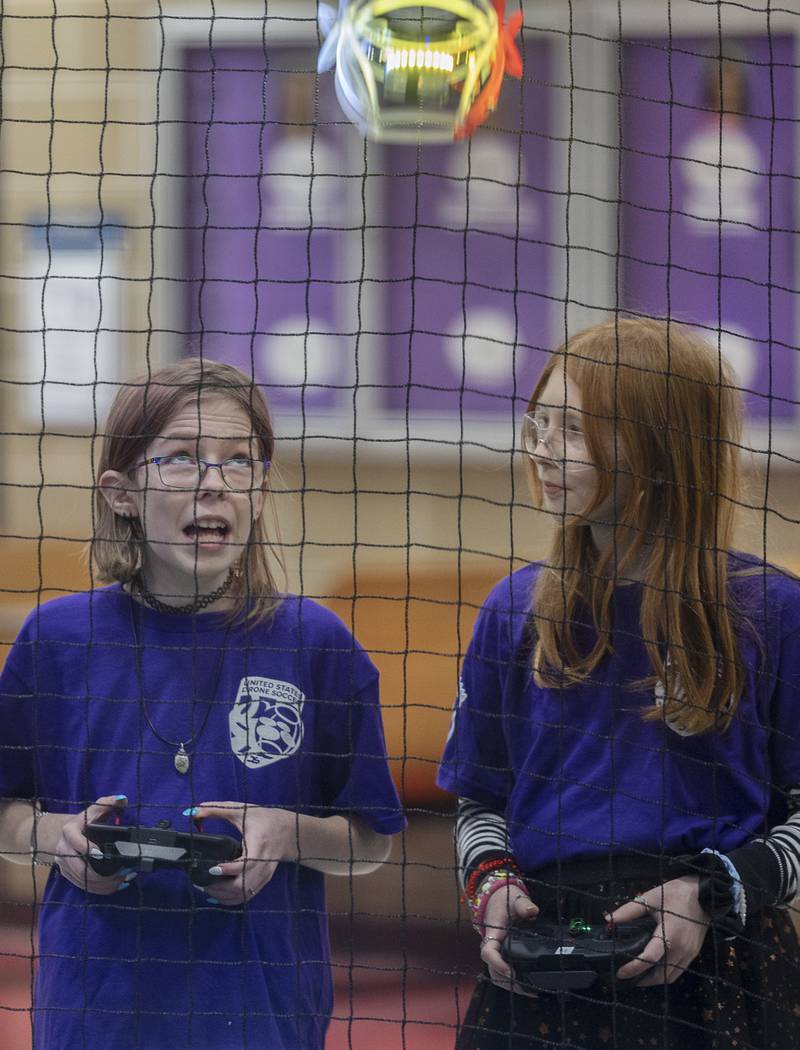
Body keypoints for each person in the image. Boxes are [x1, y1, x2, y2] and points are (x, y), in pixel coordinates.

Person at [0, 357, 405, 1050]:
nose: (215, 484)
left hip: (258, 1010)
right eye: (182, 459)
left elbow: (372, 840)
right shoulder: (56, 640)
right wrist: (55, 841)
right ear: (121, 492)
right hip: (94, 1011)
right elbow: (6, 814)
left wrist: (287, 834)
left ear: (262, 488)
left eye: (239, 462)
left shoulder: (316, 644)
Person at [438, 317, 800, 1049]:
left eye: (573, 430)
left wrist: (713, 894)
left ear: (663, 451)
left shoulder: (770, 611)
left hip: (719, 968)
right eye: (538, 423)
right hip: (545, 967)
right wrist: (493, 889)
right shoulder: (514, 609)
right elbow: (481, 800)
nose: (541, 449)